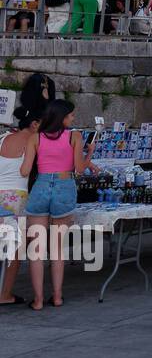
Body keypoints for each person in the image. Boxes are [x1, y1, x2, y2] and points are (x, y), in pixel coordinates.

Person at [21, 100, 98, 309]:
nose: (73, 119)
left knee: (36, 249)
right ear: (63, 117)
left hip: (41, 187)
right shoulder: (75, 137)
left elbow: (24, 171)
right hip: (64, 187)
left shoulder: (35, 138)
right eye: (71, 115)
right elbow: (80, 169)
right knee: (57, 249)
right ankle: (56, 297)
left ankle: (37, 300)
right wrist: (90, 152)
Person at [0, 107, 38, 307]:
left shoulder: (3, 138)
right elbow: (25, 171)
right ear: (34, 124)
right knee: (15, 248)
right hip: (17, 198)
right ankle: (4, 293)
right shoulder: (32, 141)